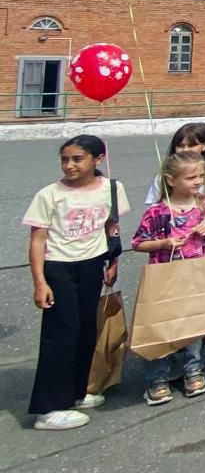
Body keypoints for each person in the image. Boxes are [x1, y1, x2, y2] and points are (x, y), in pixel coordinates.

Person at [23, 135, 129, 431]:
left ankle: (75, 392)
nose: (69, 165)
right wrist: (40, 282)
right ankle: (49, 408)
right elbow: (37, 241)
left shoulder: (111, 187)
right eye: (65, 159)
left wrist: (114, 261)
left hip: (92, 264)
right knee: (61, 334)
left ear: (98, 160)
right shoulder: (50, 195)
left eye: (77, 159)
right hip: (59, 267)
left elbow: (112, 225)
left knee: (85, 330)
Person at [132, 149, 205, 404]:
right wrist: (164, 243)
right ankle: (157, 377)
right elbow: (138, 243)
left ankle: (193, 370)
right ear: (171, 180)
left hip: (196, 274)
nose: (197, 182)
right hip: (165, 275)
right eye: (190, 177)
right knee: (162, 324)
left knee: (193, 323)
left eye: (200, 176)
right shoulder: (158, 212)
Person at [144, 123, 205, 205]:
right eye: (180, 146)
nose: (185, 150)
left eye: (191, 145)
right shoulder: (162, 178)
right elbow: (153, 206)